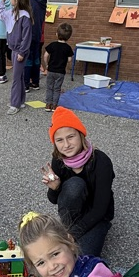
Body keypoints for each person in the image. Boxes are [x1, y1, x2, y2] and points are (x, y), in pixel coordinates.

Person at [41, 106, 114, 257]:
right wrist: (54, 188)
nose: (66, 145)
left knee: (83, 258)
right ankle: (68, 227)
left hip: (97, 216)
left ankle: (72, 232)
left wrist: (72, 234)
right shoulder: (58, 159)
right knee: (75, 185)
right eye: (59, 140)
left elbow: (101, 208)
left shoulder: (101, 161)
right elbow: (54, 200)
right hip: (71, 216)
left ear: (81, 135)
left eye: (71, 137)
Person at [0, 0, 32, 114]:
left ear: (17, 0)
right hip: (14, 49)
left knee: (16, 77)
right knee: (19, 76)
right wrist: (3, 0)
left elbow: (27, 37)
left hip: (20, 51)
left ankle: (15, 104)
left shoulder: (25, 16)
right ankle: (20, 101)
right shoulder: (11, 13)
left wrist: (22, 52)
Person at [43, 22, 74, 112]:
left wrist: (47, 64)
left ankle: (48, 104)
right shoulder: (68, 48)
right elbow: (69, 60)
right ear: (69, 36)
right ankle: (54, 105)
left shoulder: (52, 45)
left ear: (57, 34)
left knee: (49, 87)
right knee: (57, 89)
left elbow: (45, 55)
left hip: (51, 70)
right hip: (60, 72)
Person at [25, 0, 47, 91]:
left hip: (30, 34)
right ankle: (36, 82)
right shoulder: (43, 2)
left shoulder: (30, 2)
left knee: (28, 59)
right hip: (40, 35)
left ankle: (26, 83)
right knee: (36, 59)